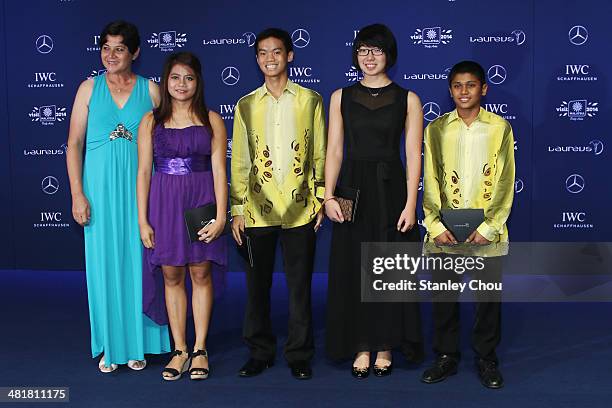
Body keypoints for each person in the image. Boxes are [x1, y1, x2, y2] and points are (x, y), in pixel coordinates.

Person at [66, 20, 170, 373]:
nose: (111, 55)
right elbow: (74, 144)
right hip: (98, 190)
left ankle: (139, 343)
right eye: (106, 47)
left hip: (141, 191)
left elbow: (167, 147)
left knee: (140, 265)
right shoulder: (87, 89)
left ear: (135, 53)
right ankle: (111, 344)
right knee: (105, 267)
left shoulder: (152, 92)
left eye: (119, 48)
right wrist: (77, 194)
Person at [324, 23, 424, 378]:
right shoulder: (340, 97)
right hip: (352, 188)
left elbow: (413, 155)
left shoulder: (408, 99)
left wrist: (412, 203)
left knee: (388, 265)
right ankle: (361, 344)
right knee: (353, 264)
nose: (369, 57)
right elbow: (334, 150)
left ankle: (385, 345)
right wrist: (327, 194)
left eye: (376, 50)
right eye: (363, 50)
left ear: (389, 55)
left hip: (391, 188)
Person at [230, 28, 326, 380]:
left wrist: (318, 198)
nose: (270, 59)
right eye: (263, 53)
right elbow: (240, 160)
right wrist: (237, 209)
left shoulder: (311, 100)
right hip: (256, 212)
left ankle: (299, 353)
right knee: (257, 287)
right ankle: (260, 351)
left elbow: (320, 153)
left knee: (300, 286)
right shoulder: (245, 105)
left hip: (301, 209)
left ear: (290, 56)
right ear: (256, 59)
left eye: (277, 52)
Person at [421, 60, 515, 389]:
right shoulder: (436, 129)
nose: (464, 91)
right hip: (445, 230)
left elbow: (505, 181)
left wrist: (489, 227)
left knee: (487, 299)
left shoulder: (499, 128)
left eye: (471, 85)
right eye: (458, 86)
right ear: (450, 91)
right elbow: (429, 179)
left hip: (487, 231)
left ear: (483, 89)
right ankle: (446, 356)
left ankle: (487, 358)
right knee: (444, 298)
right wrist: (434, 224)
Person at [136, 52, 228, 381]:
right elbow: (144, 171)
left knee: (200, 273)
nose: (181, 84)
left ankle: (200, 348)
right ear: (166, 81)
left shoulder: (212, 119)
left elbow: (219, 171)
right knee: (172, 275)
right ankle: (180, 350)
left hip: (201, 202)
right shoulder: (150, 121)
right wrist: (143, 220)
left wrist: (221, 216)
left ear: (198, 82)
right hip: (164, 204)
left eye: (189, 78)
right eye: (175, 77)